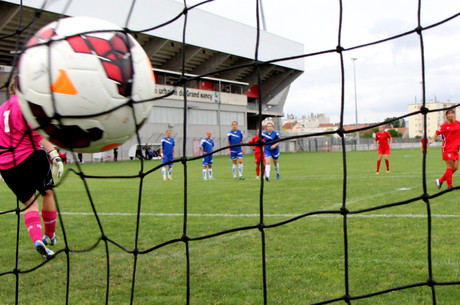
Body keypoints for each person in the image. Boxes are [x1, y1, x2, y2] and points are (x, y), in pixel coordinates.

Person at [0, 77, 64, 259]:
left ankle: (37, 240)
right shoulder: (27, 108)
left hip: (6, 165)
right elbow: (38, 135)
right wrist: (54, 155)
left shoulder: (1, 110)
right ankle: (50, 236)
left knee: (29, 204)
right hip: (31, 157)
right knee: (47, 193)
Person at [428, 109, 460, 189]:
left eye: (452, 113)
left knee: (455, 168)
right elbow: (437, 132)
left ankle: (440, 180)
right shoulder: (444, 126)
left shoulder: (458, 124)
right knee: (450, 167)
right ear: (446, 116)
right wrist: (432, 140)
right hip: (447, 149)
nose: (451, 115)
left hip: (456, 149)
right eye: (449, 113)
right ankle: (449, 186)